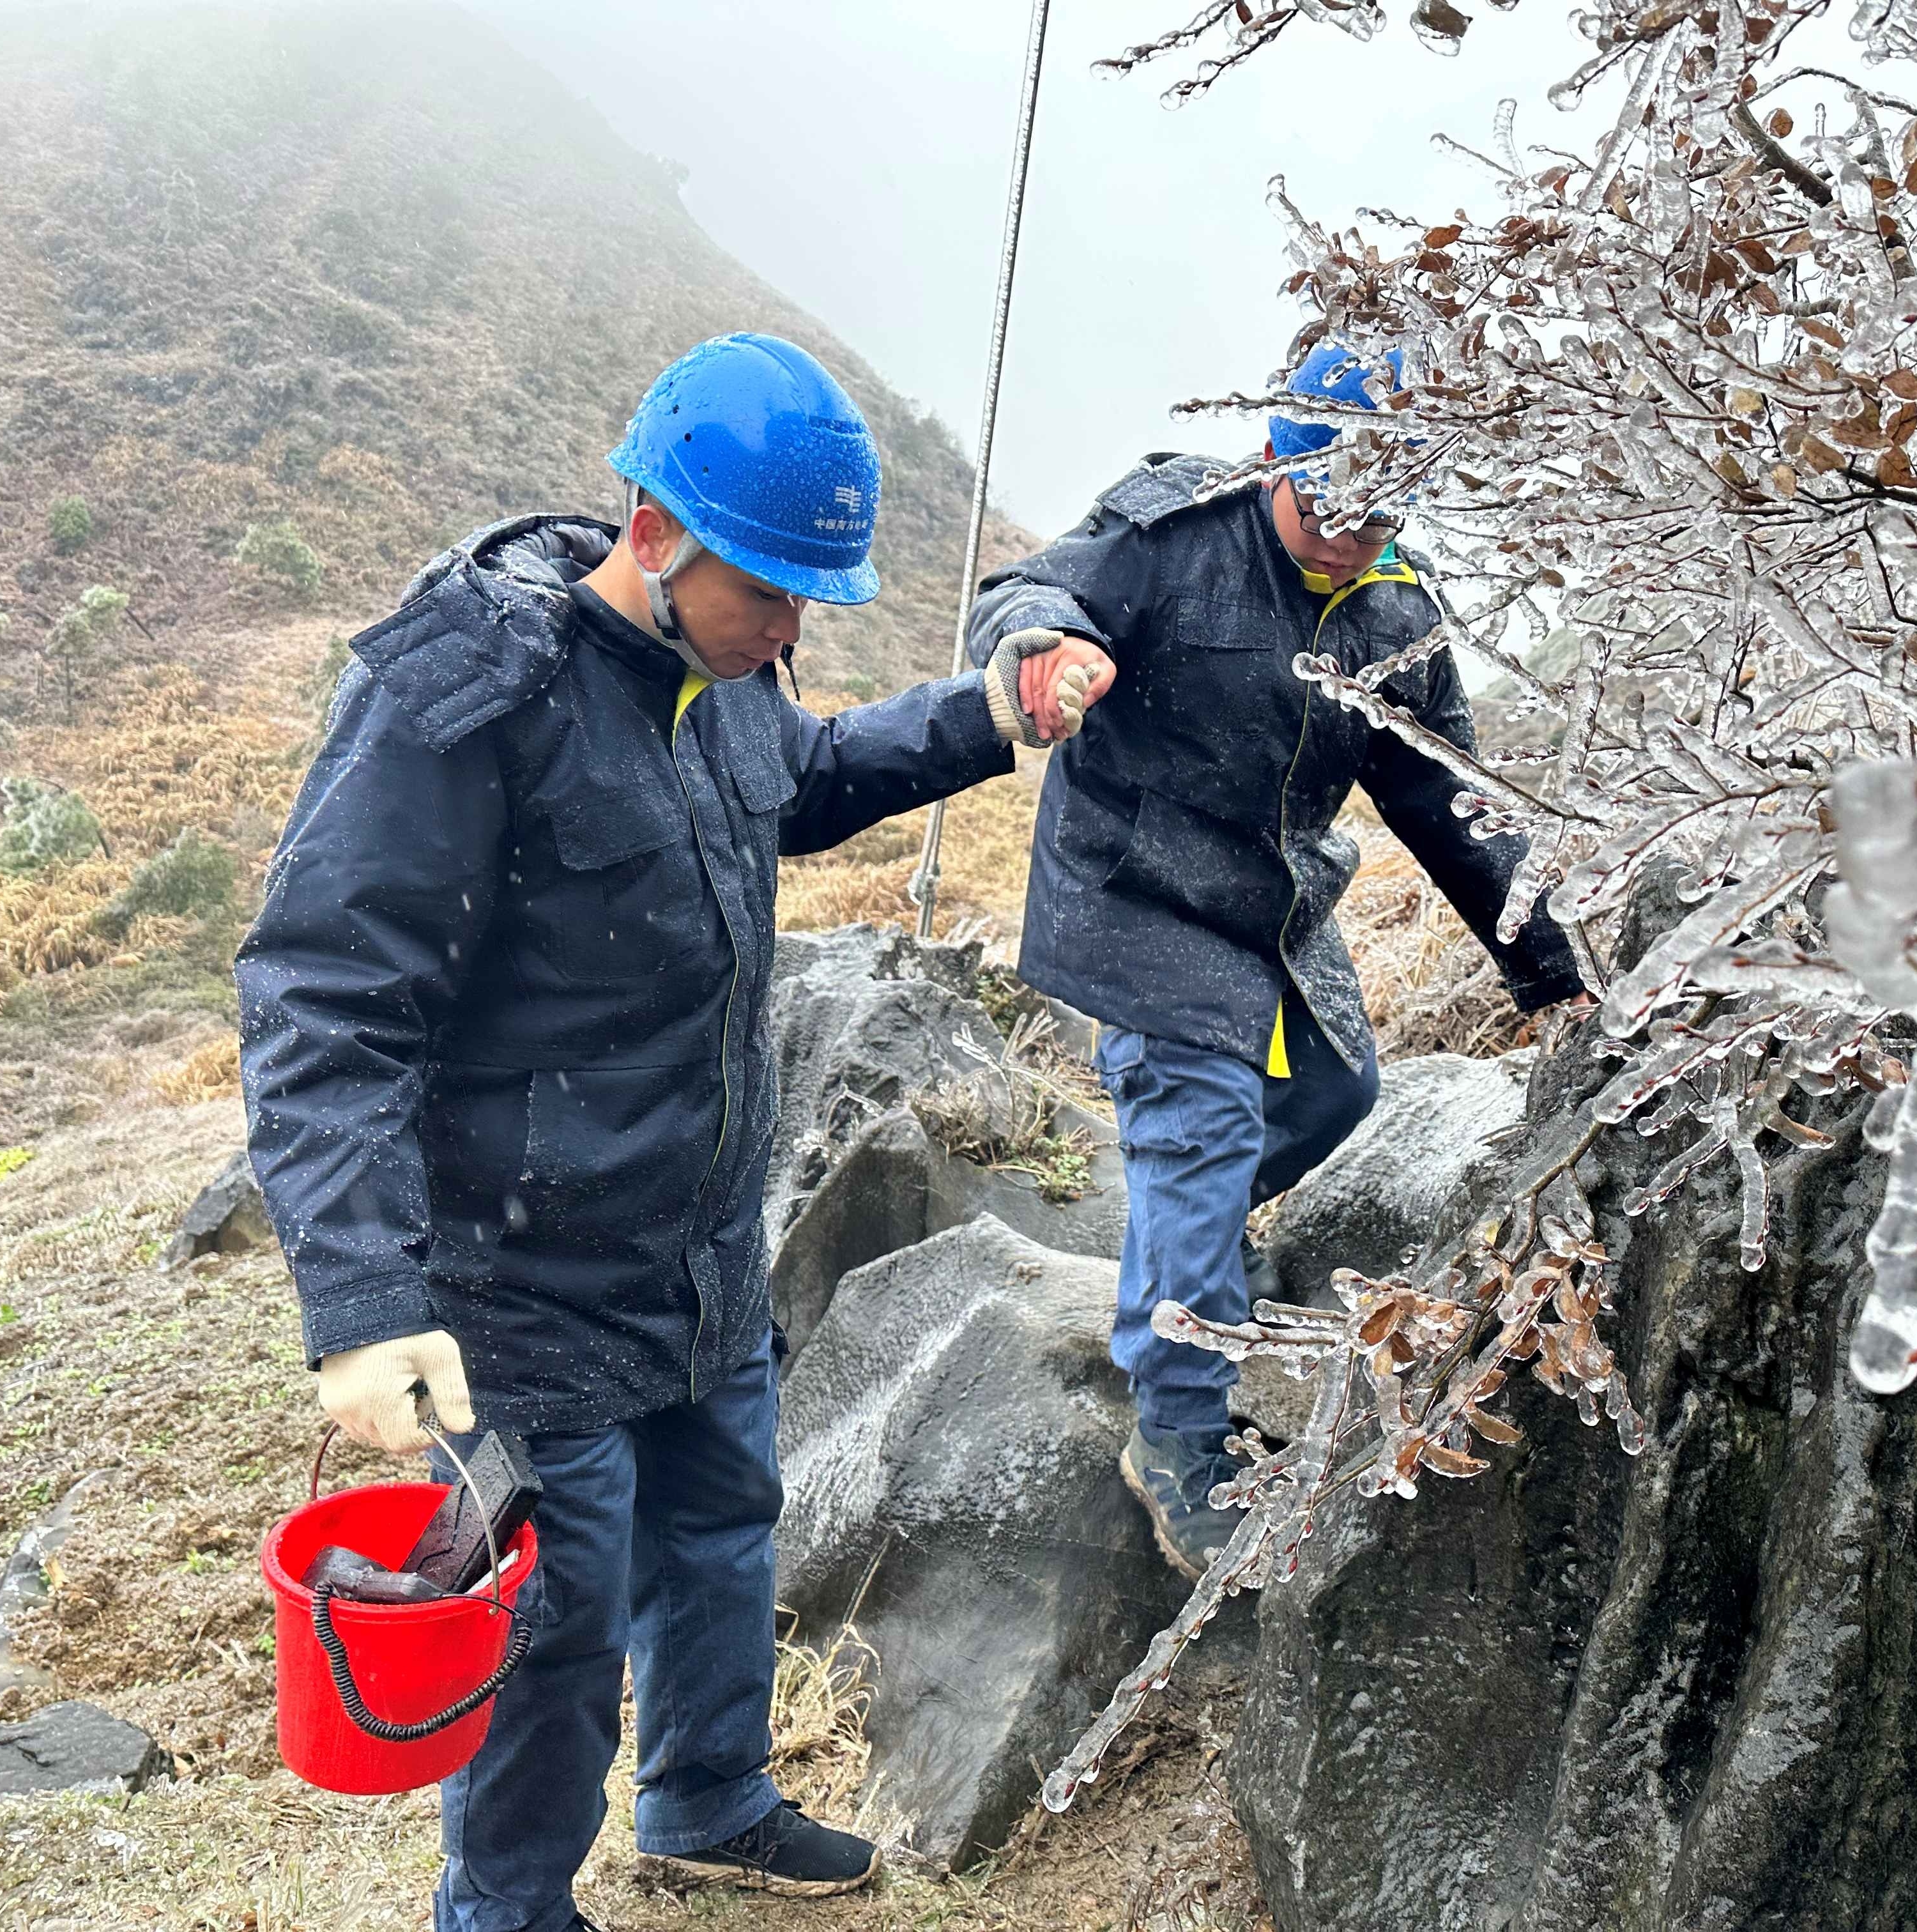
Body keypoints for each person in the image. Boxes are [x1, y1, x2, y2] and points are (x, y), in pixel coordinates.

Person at [237, 333, 1104, 1932]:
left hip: (699, 1234)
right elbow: (323, 995)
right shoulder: (473, 696)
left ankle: (706, 1796)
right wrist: (360, 1302)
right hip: (513, 1274)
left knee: (721, 1525)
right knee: (554, 1621)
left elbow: (810, 773)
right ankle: (507, 1910)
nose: (791, 631)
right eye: (768, 593)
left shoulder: (720, 679)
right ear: (656, 538)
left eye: (803, 601)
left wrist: (989, 715)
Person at [967, 341, 1585, 1578]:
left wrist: (1550, 975)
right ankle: (1181, 1446)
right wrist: (1045, 645)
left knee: (1337, 1092)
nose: (1354, 534)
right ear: (1277, 463)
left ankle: (1186, 1242)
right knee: (1200, 1131)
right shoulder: (1173, 534)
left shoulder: (1399, 614)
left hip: (1272, 906)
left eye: (1383, 509)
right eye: (1331, 504)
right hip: (1138, 893)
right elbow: (1027, 590)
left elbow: (1451, 804)